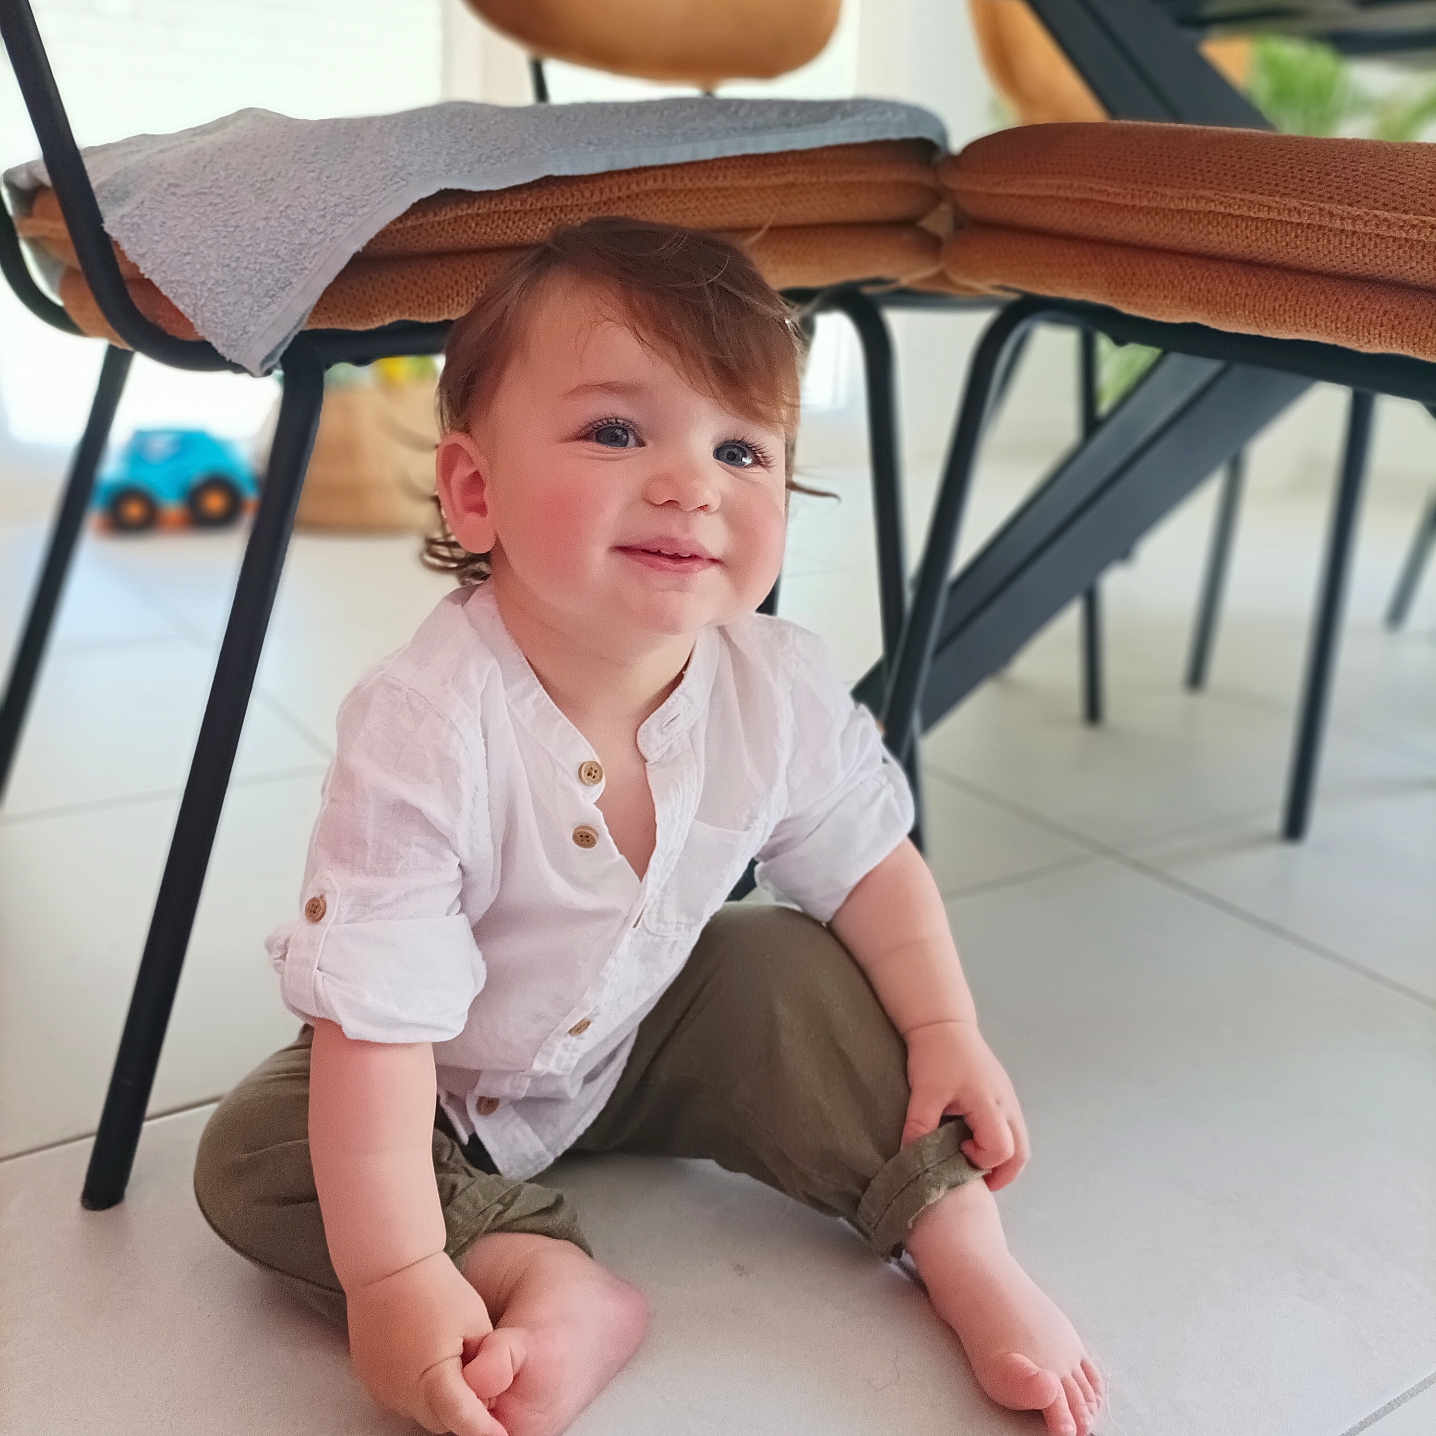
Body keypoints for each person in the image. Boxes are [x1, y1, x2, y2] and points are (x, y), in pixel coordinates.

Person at [193, 218, 1105, 1436]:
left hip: (650, 1029)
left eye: (739, 447)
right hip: (438, 1082)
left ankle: (957, 1241)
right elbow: (376, 1027)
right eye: (616, 432)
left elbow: (871, 867)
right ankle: (534, 1271)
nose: (691, 484)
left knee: (787, 960)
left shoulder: (775, 683)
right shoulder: (425, 723)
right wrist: (395, 1274)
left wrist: (946, 1028)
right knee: (254, 1152)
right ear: (475, 491)